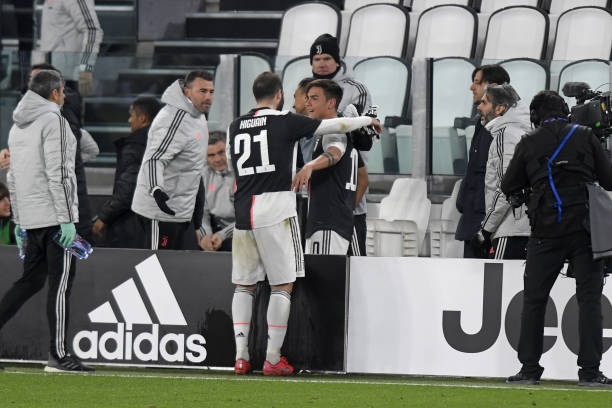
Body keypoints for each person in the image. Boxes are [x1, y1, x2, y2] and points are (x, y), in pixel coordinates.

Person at [228, 72, 381, 376]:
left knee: (244, 285)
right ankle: (273, 358)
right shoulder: (285, 120)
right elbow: (332, 126)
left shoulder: (236, 125)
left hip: (244, 210)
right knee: (282, 285)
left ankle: (241, 356)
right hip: (276, 210)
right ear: (280, 95)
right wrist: (365, 120)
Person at [502, 90, 612, 386]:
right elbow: (609, 178)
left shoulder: (528, 142)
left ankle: (529, 370)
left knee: (535, 300)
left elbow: (508, 183)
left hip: (545, 232)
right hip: (585, 230)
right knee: (589, 300)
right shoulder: (586, 136)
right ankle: (589, 372)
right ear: (565, 111)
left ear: (535, 118)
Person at [0, 69, 93, 372]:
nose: (64, 97)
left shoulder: (17, 127)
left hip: (31, 220)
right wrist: (68, 221)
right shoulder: (56, 122)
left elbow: (13, 176)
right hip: (56, 220)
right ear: (54, 93)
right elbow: (61, 175)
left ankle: (58, 353)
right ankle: (59, 355)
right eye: (63, 92)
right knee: (60, 285)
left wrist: (18, 220)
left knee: (29, 282)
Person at [131, 70, 213, 250]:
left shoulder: (198, 117)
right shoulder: (174, 119)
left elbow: (193, 165)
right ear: (186, 91)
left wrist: (197, 205)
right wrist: (156, 191)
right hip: (159, 214)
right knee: (155, 269)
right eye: (202, 91)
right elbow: (154, 160)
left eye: (211, 91)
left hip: (180, 212)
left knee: (170, 270)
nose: (208, 97)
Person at [308, 33, 373, 256]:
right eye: (317, 59)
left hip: (348, 190)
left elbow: (366, 141)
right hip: (316, 198)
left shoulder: (357, 90)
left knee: (354, 266)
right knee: (319, 267)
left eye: (327, 58)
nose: (322, 63)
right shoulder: (307, 91)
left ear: (337, 60)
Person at [294, 79, 363, 254]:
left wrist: (309, 166)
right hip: (342, 220)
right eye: (307, 98)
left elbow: (334, 153)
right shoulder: (346, 132)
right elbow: (363, 178)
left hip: (327, 223)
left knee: (324, 280)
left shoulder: (332, 130)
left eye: (314, 98)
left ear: (331, 103)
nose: (307, 103)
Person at [455, 64, 511, 258]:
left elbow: (500, 180)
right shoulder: (482, 123)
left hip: (487, 226)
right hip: (473, 220)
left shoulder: (505, 130)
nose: (472, 87)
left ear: (493, 86)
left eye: (477, 82)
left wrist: (487, 226)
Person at [470, 84, 531, 259]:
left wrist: (485, 230)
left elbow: (507, 186)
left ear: (500, 109)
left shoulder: (506, 135)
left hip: (510, 228)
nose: (479, 107)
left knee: (499, 285)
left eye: (484, 103)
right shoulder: (522, 131)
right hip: (521, 228)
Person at [92, 96, 162, 248]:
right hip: (158, 221)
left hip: (132, 224)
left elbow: (129, 187)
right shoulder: (165, 143)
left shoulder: (136, 145)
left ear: (142, 118)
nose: (129, 120)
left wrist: (104, 217)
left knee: (127, 268)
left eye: (132, 115)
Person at [36, 0, 104, 97]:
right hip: (50, 75)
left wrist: (85, 68)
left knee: (68, 110)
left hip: (67, 78)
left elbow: (92, 30)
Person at [198, 131, 235, 252]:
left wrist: (222, 235)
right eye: (211, 155)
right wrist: (206, 237)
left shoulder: (243, 173)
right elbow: (202, 214)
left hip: (243, 230)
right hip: (216, 230)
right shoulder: (203, 175)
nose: (217, 159)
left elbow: (249, 219)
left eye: (221, 152)